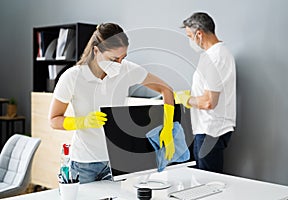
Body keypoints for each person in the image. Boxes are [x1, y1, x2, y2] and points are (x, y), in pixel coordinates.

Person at [49, 23, 175, 184]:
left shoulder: (126, 70)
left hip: (115, 161)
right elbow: (54, 120)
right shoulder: (72, 77)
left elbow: (166, 89)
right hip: (84, 163)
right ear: (96, 51)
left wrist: (168, 127)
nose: (119, 64)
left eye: (123, 58)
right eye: (114, 59)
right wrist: (82, 122)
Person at [175, 12, 236, 173]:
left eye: (190, 36)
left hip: (210, 131)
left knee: (209, 182)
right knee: (202, 179)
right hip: (210, 130)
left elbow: (209, 101)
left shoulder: (214, 58)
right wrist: (192, 95)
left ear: (199, 34)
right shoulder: (219, 54)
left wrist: (186, 100)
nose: (190, 41)